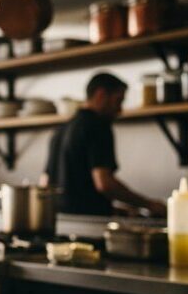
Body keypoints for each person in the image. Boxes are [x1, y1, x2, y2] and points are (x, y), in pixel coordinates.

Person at [42, 72, 166, 216]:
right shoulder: (98, 125)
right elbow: (104, 184)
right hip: (90, 223)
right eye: (118, 101)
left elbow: (45, 182)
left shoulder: (60, 130)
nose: (119, 110)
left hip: (61, 219)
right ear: (101, 95)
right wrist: (149, 204)